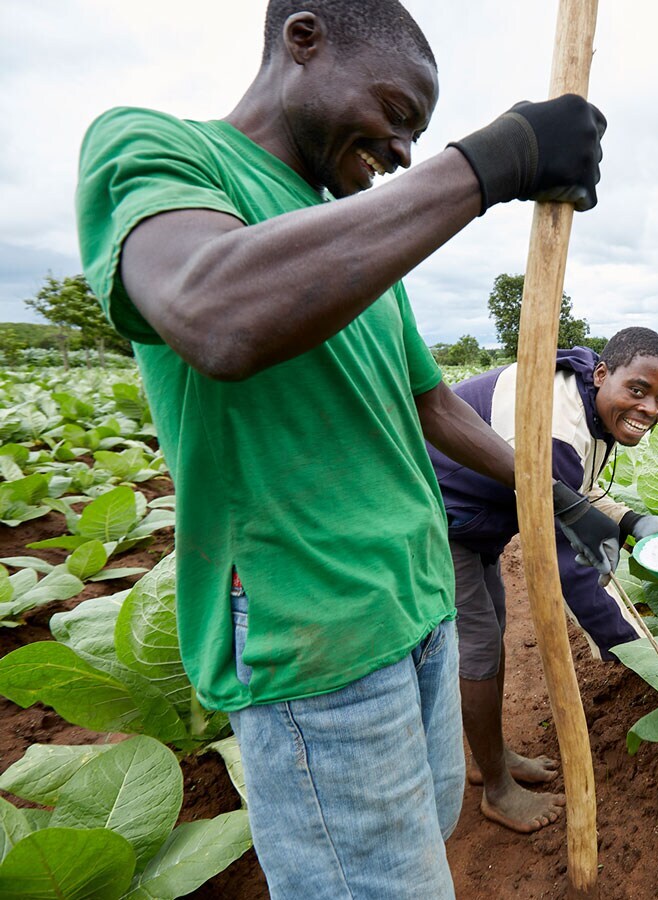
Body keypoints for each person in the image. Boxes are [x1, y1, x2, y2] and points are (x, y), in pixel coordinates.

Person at [74, 2, 620, 897]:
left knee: (424, 834)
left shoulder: (354, 234)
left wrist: (555, 496)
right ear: (302, 39)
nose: (404, 151)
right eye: (398, 114)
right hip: (315, 630)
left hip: (416, 605)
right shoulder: (160, 150)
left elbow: (434, 407)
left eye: (422, 135)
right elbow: (215, 313)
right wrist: (488, 165)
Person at [429, 326, 658, 833]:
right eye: (638, 390)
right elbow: (575, 572)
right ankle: (497, 790)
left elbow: (572, 493)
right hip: (439, 518)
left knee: (493, 629)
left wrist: (630, 521)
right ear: (604, 374)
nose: (650, 408)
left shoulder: (584, 399)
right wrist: (649, 658)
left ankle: (487, 756)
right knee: (477, 645)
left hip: (477, 520)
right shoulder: (561, 426)